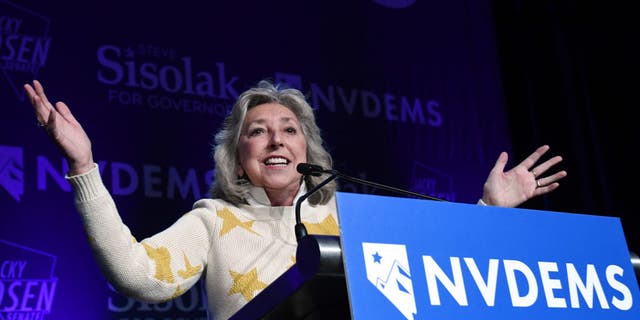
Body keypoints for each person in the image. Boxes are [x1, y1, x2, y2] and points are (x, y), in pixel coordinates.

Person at [24, 79, 567, 319]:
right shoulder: (214, 220)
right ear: (238, 159)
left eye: (290, 128)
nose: (278, 138)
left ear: (309, 149)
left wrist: (490, 211)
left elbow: (438, 273)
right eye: (258, 131)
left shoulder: (353, 218)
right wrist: (84, 167)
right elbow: (137, 273)